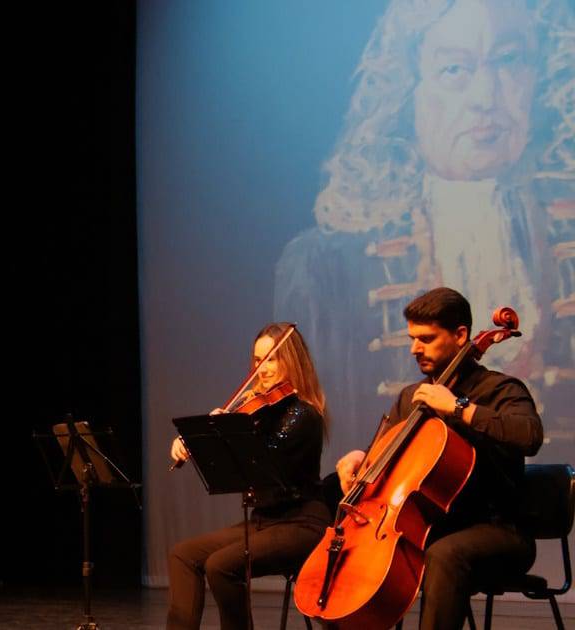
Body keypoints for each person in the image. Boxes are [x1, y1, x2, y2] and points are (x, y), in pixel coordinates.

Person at [274, 0, 575, 464]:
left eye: (509, 61)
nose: (485, 96)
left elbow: (529, 433)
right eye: (455, 68)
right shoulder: (324, 265)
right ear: (405, 91)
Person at [334, 287, 543, 629]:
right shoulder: (411, 398)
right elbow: (389, 461)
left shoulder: (501, 390)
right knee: (350, 551)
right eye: (413, 338)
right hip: (433, 525)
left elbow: (530, 435)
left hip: (498, 530)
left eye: (427, 338)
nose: (415, 349)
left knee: (444, 555)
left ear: (461, 335)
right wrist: (361, 457)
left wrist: (460, 409)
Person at [166, 322, 330, 630]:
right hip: (264, 521)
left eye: (271, 359)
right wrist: (199, 440)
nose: (262, 368)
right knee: (183, 555)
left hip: (301, 522)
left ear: (292, 361)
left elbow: (264, 460)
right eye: (257, 360)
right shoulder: (259, 410)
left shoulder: (303, 414)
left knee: (221, 566)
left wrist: (226, 433)